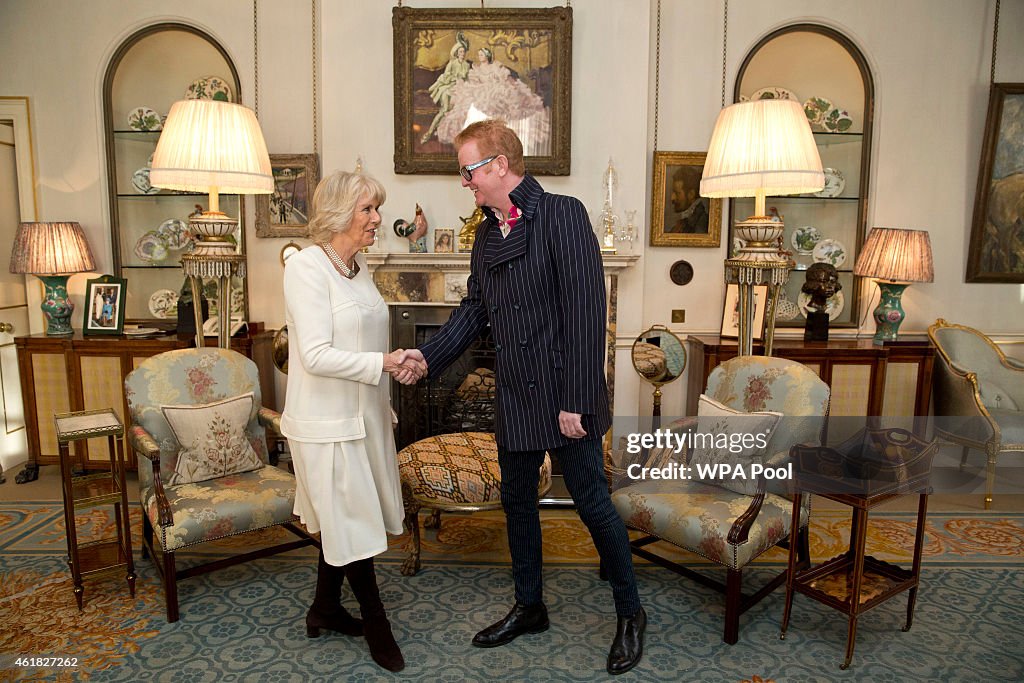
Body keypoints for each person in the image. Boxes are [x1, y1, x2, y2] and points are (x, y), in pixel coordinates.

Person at [401, 120, 646, 675]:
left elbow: (588, 314)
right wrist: (429, 356)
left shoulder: (563, 214)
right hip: (514, 395)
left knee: (591, 504)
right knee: (518, 505)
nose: (464, 182)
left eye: (468, 170)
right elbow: (475, 311)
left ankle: (631, 612)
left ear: (498, 165)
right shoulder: (486, 235)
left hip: (566, 395)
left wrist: (578, 401)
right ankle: (530, 605)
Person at [280, 170, 425, 673]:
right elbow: (316, 354)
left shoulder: (357, 267)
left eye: (376, 208)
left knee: (342, 519)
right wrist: (381, 364)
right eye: (367, 209)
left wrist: (389, 373)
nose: (377, 218)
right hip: (324, 424)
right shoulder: (305, 267)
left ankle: (323, 609)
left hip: (363, 416)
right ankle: (376, 622)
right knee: (351, 521)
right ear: (340, 212)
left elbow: (363, 342)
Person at [435, 48, 551, 156]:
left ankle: (499, 131)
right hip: (481, 90)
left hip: (494, 89)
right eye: (479, 55)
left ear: (487, 56)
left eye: (482, 55)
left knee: (502, 94)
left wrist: (496, 84)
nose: (480, 57)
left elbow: (502, 78)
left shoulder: (495, 66)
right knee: (471, 100)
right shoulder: (477, 69)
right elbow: (474, 81)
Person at [421, 32, 471, 145]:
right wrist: (455, 78)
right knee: (444, 110)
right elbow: (446, 76)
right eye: (460, 52)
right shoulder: (452, 63)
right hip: (449, 88)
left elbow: (467, 79)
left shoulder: (467, 65)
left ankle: (458, 137)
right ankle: (429, 133)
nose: (462, 53)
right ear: (457, 53)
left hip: (461, 89)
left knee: (463, 110)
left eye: (464, 51)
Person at [666, 166, 709, 234]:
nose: (672, 198)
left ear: (691, 194)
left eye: (677, 193)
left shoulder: (701, 222)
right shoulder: (685, 221)